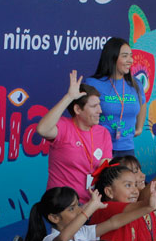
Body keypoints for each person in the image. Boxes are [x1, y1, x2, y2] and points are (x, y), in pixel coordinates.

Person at [21, 187, 156, 241]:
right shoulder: (49, 240)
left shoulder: (81, 232)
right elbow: (63, 239)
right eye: (71, 209)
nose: (79, 210)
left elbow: (114, 222)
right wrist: (89, 209)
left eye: (78, 205)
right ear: (54, 218)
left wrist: (147, 209)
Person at [37, 70, 112, 203]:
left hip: (90, 204)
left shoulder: (103, 133)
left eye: (99, 105)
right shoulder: (64, 127)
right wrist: (69, 97)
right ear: (78, 110)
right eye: (94, 106)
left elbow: (104, 167)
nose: (100, 111)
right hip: (63, 205)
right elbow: (42, 129)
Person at [87, 38, 146, 157]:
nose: (130, 60)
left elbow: (142, 104)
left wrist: (139, 128)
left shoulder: (136, 84)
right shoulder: (93, 83)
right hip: (100, 147)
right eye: (125, 56)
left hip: (127, 148)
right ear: (112, 58)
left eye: (131, 56)